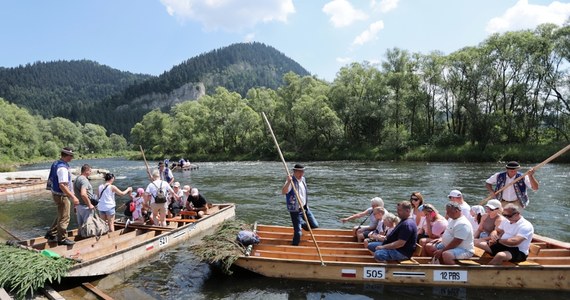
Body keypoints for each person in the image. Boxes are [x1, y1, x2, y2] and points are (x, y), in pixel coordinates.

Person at [45, 147, 80, 246]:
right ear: (67, 155)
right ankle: (62, 238)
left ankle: (51, 233)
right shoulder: (62, 168)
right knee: (65, 217)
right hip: (61, 195)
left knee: (61, 214)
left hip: (56, 193)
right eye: (71, 156)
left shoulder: (56, 163)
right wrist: (73, 197)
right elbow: (62, 185)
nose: (72, 158)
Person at [281, 163, 319, 246]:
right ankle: (294, 246)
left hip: (305, 208)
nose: (301, 174)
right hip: (295, 209)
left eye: (302, 172)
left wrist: (306, 205)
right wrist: (288, 182)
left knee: (314, 225)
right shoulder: (291, 181)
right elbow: (283, 192)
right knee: (298, 232)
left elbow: (303, 194)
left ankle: (298, 223)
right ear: (294, 172)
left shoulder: (303, 180)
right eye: (299, 172)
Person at [73, 164, 96, 230]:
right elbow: (83, 194)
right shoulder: (84, 180)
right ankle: (88, 239)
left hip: (79, 206)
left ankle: (80, 238)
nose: (91, 172)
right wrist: (89, 205)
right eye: (90, 171)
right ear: (86, 171)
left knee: (80, 226)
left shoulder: (77, 179)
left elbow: (75, 193)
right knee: (89, 226)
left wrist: (75, 205)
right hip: (85, 207)